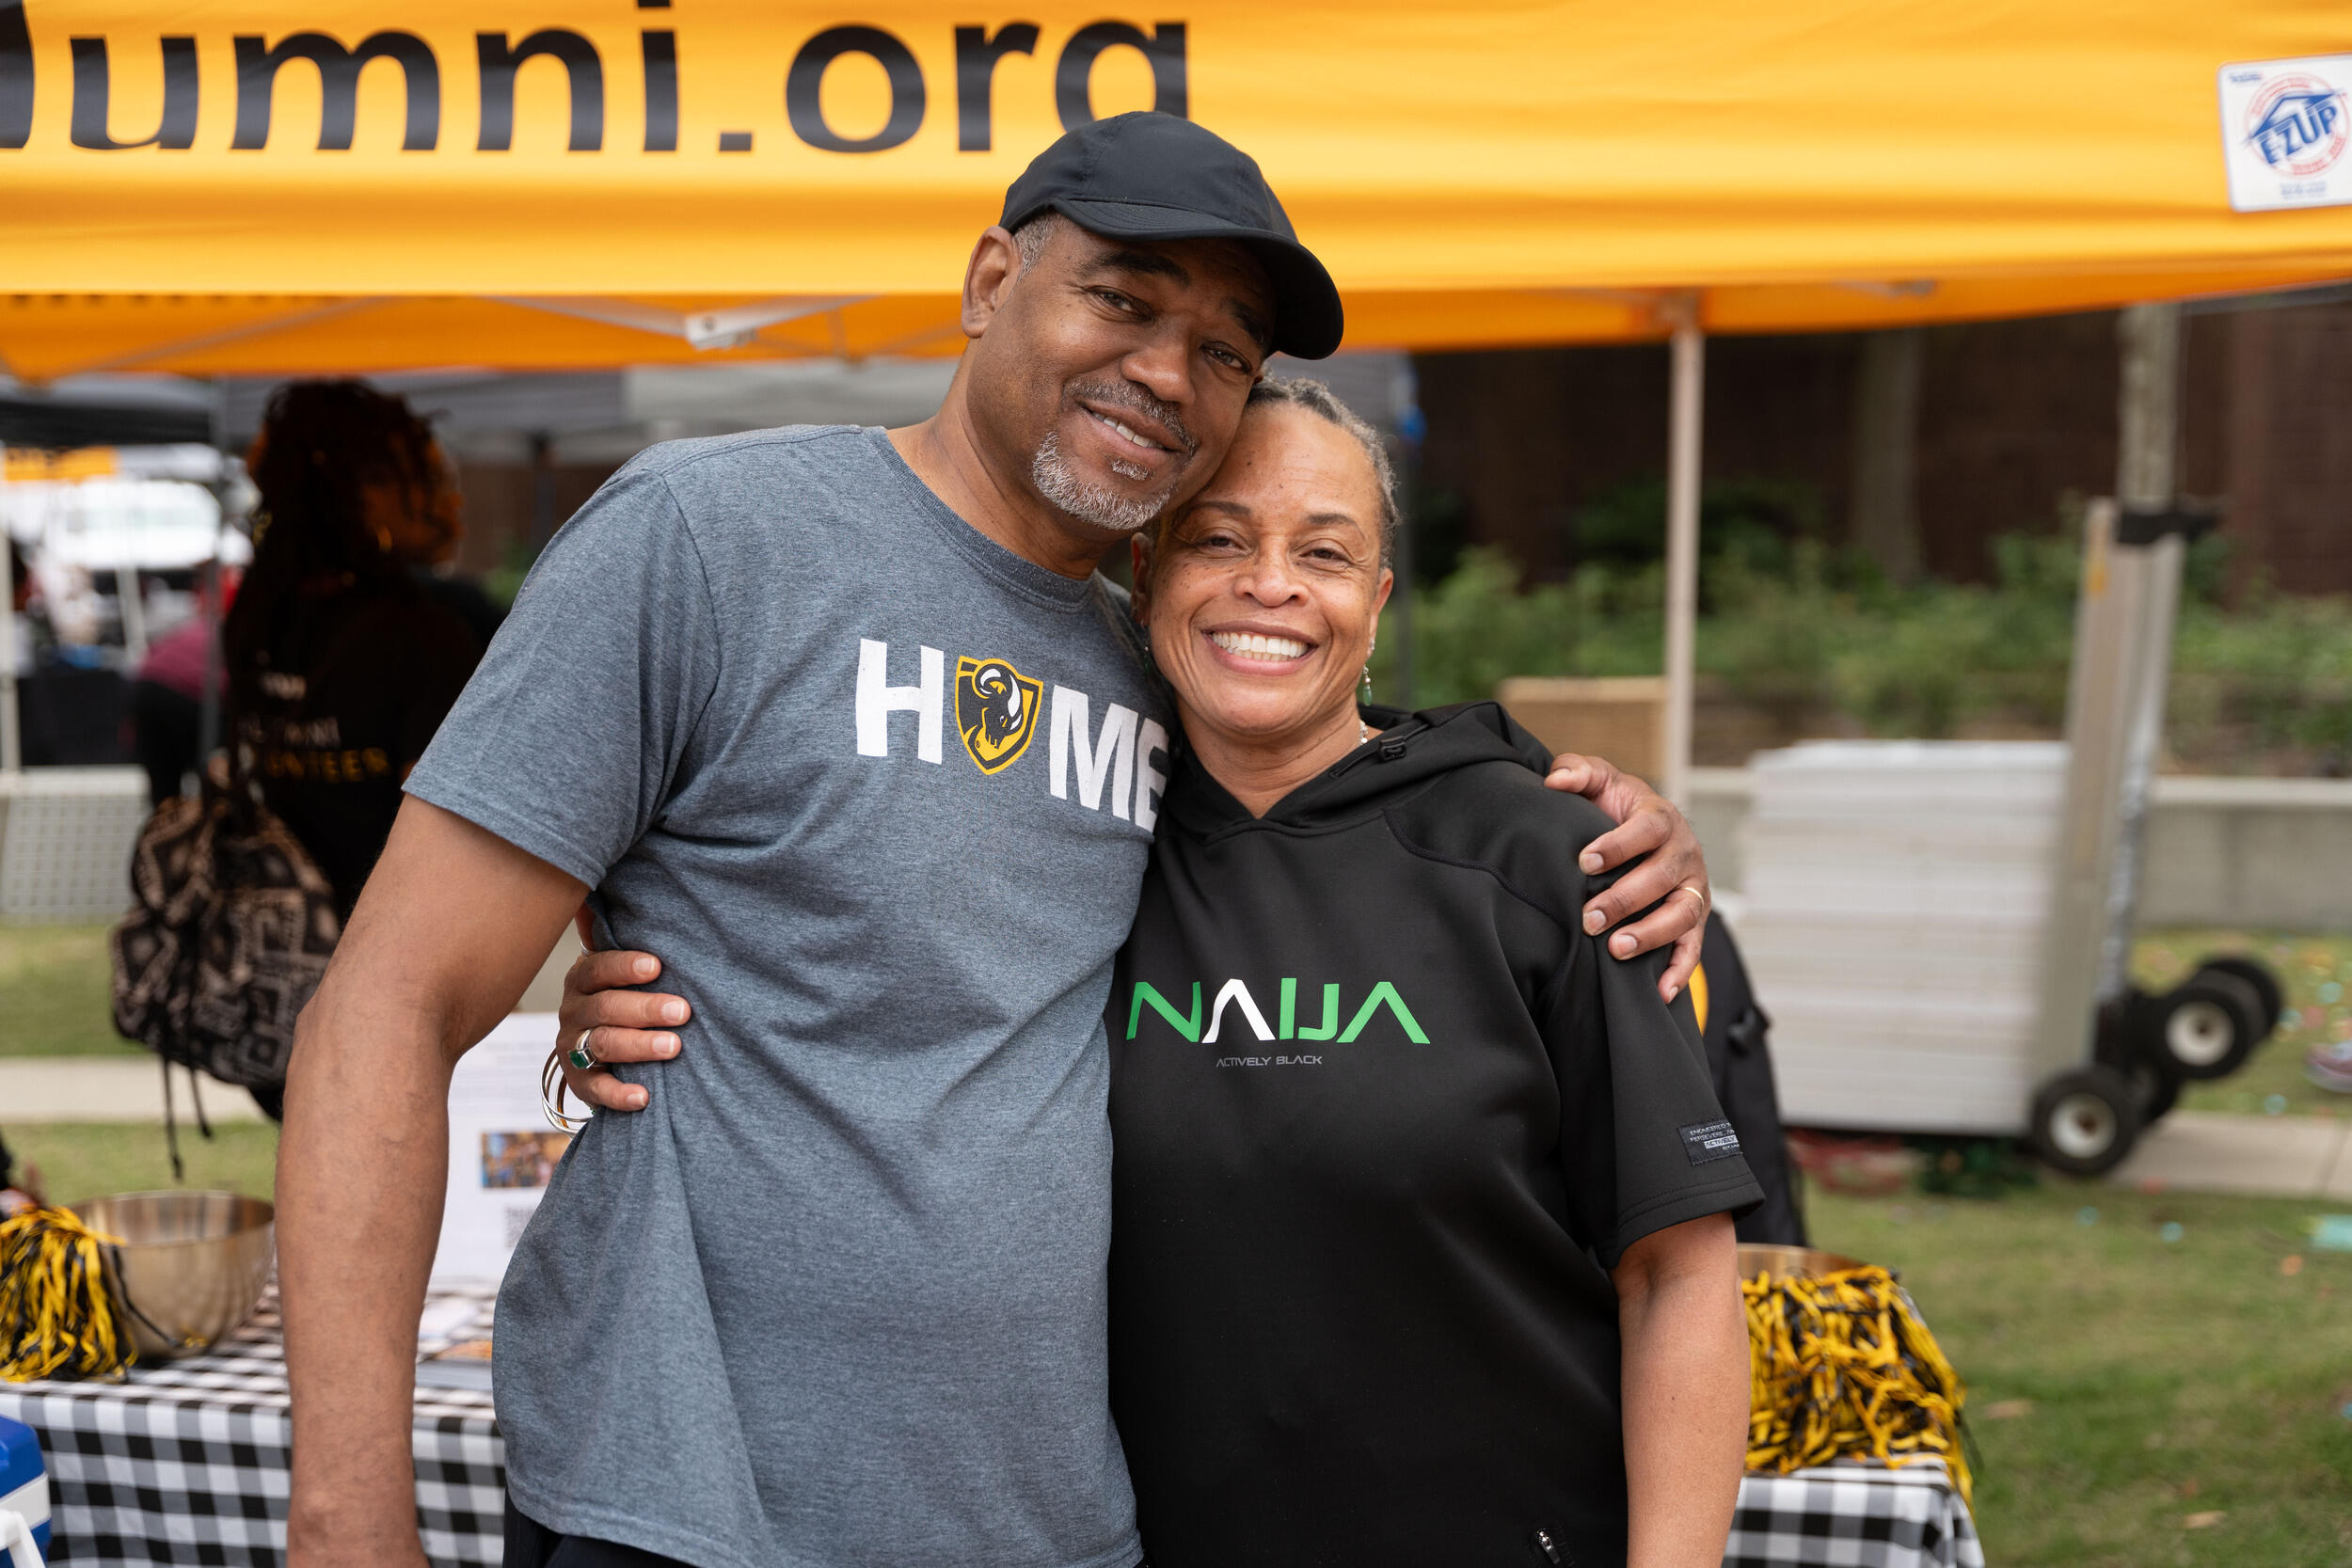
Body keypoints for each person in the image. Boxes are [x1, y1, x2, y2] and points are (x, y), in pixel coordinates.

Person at [277, 113, 1716, 1568]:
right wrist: (346, 1519)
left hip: (1045, 1520)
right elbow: (389, 1006)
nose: (1170, 371)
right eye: (1124, 297)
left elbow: (1343, 774)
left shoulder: (1160, 671)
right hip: (694, 1509)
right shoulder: (706, 540)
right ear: (986, 285)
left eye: (1227, 349)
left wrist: (1600, 815)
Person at [564, 380, 1757, 1567]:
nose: (1269, 584)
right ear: (1142, 579)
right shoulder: (1069, 836)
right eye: (1219, 538)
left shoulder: (1543, 854)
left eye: (1324, 552)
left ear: (1377, 599)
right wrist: (641, 990)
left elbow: (1679, 1272)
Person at [226, 382, 483, 924]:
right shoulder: (423, 638)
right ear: (367, 492)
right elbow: (442, 840)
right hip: (383, 943)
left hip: (273, 931)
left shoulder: (259, 616)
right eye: (430, 478)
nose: (453, 502)